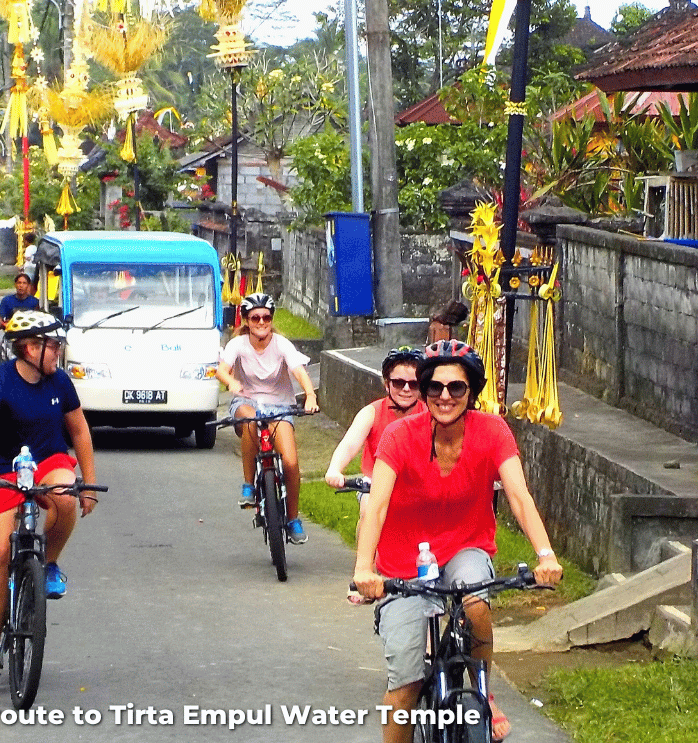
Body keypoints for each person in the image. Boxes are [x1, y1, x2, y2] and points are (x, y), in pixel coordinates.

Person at [353, 340, 563, 743]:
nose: (445, 397)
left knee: (476, 601)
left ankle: (483, 690)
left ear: (472, 392)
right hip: (403, 564)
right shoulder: (398, 436)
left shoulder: (493, 431)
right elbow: (375, 507)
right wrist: (364, 568)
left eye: (456, 388)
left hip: (466, 547)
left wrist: (545, 555)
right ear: (425, 390)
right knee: (404, 688)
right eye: (435, 387)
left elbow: (518, 495)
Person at [0, 310, 98, 677]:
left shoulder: (60, 382)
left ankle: (48, 564)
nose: (58, 352)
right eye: (54, 345)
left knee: (64, 496)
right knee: (0, 551)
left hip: (48, 458)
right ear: (31, 348)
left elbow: (79, 431)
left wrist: (89, 486)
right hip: (1, 466)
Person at [216, 293, 319, 544]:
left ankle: (293, 519)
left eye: (266, 317)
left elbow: (298, 371)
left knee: (292, 463)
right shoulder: (237, 345)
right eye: (255, 318)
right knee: (250, 422)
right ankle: (249, 485)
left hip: (280, 407)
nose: (261, 322)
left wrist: (310, 396)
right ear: (247, 321)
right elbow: (221, 370)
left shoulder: (282, 344)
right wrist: (231, 382)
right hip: (247, 403)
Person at [325, 347, 426, 580]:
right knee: (368, 509)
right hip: (374, 483)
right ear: (386, 383)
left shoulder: (430, 415)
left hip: (418, 484)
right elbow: (350, 444)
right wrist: (335, 469)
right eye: (399, 383)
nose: (407, 389)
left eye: (414, 383)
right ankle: (364, 570)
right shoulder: (371, 412)